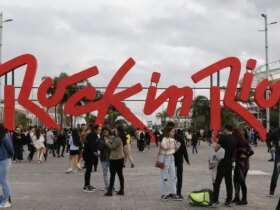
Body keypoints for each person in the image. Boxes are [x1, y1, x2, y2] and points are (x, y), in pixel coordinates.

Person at [212, 124, 237, 207]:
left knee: (217, 182)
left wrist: (215, 142)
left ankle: (215, 200)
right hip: (230, 163)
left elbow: (216, 148)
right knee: (229, 183)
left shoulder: (223, 137)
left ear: (226, 129)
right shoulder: (234, 139)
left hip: (222, 163)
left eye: (224, 129)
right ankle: (228, 201)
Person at [158, 122, 181, 201]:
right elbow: (165, 150)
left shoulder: (173, 140)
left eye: (174, 131)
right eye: (172, 131)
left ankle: (174, 193)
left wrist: (177, 147)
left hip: (171, 159)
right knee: (165, 177)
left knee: (174, 177)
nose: (174, 133)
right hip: (164, 159)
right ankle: (164, 194)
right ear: (168, 132)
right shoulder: (164, 140)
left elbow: (173, 150)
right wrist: (174, 147)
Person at [232, 128, 254, 205]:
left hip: (242, 164)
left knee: (241, 182)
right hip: (240, 164)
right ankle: (237, 197)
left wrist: (244, 154)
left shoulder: (243, 141)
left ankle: (244, 199)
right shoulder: (240, 141)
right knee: (235, 180)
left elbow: (251, 151)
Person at [105, 126, 125, 196]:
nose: (114, 131)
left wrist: (107, 142)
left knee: (113, 175)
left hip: (115, 159)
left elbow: (112, 147)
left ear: (118, 131)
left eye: (116, 130)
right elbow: (112, 141)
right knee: (120, 175)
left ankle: (110, 191)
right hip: (119, 159)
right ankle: (121, 190)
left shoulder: (118, 139)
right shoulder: (117, 138)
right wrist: (109, 140)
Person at [0, 124, 14, 208]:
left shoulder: (4, 136)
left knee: (3, 180)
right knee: (3, 180)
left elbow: (10, 148)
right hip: (3, 160)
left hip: (4, 160)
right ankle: (6, 198)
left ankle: (7, 200)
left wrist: (11, 156)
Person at [174, 129, 190, 200]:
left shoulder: (172, 138)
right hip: (179, 160)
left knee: (172, 177)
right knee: (179, 177)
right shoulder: (181, 139)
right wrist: (187, 160)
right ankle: (178, 193)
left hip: (172, 160)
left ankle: (172, 192)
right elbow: (184, 151)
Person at [83, 124, 99, 192]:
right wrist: (95, 152)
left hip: (87, 154)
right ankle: (86, 185)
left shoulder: (91, 134)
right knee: (88, 170)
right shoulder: (93, 135)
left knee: (88, 170)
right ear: (95, 129)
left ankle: (87, 184)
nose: (100, 131)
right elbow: (92, 145)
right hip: (89, 155)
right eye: (99, 129)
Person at [98, 127, 111, 191]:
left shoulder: (112, 138)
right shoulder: (100, 139)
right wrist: (105, 142)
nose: (105, 132)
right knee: (105, 173)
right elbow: (99, 147)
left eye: (107, 131)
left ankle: (112, 186)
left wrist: (108, 142)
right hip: (103, 158)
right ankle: (107, 186)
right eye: (104, 131)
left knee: (112, 173)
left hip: (111, 158)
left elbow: (113, 147)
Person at [268, 128, 280, 197]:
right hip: (279, 155)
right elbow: (268, 139)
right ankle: (271, 191)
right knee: (276, 173)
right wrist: (271, 146)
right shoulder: (276, 131)